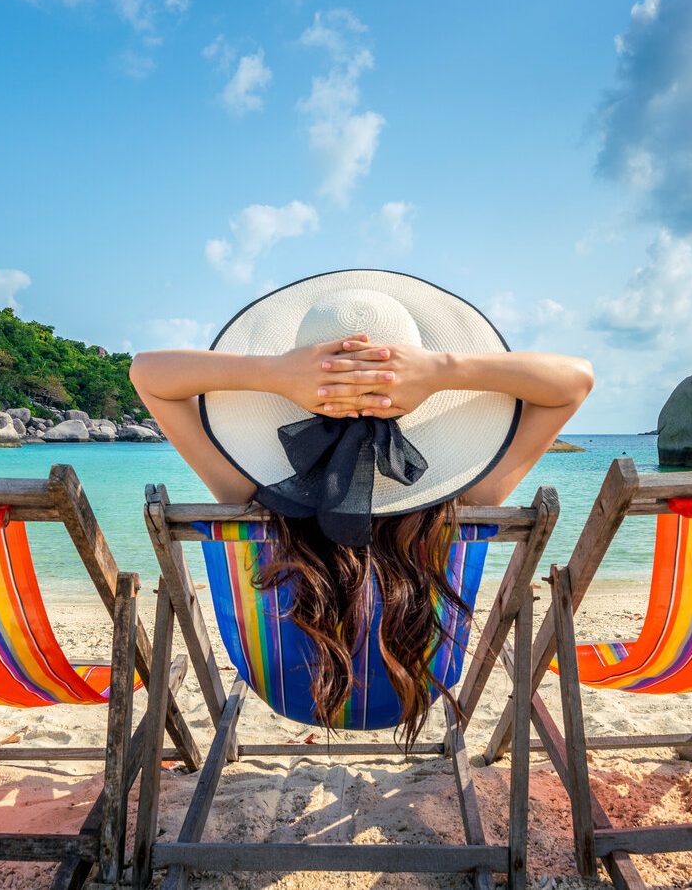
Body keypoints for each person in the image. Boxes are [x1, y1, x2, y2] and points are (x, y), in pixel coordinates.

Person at [131, 270, 591, 740]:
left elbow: (146, 373)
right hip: (414, 686)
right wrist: (441, 370)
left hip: (289, 692)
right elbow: (575, 381)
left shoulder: (244, 492)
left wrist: (275, 374)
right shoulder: (469, 497)